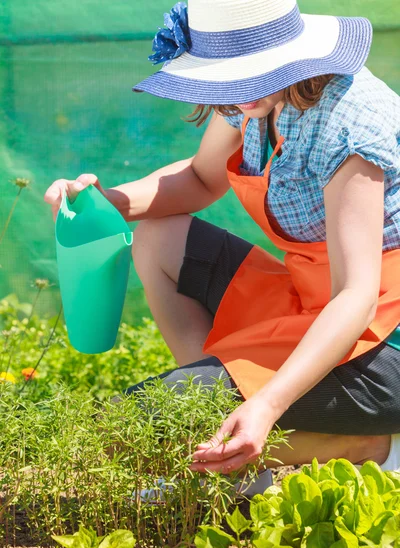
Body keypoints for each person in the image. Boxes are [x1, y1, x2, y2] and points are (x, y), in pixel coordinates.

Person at [45, 0, 400, 493]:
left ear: (291, 56)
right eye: (225, 75)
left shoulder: (350, 125)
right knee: (160, 237)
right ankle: (227, 445)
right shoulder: (252, 98)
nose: (235, 92)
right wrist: (105, 203)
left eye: (248, 72)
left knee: (147, 427)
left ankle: (374, 447)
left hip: (381, 337)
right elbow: (197, 178)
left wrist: (269, 403)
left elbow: (356, 297)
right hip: (312, 299)